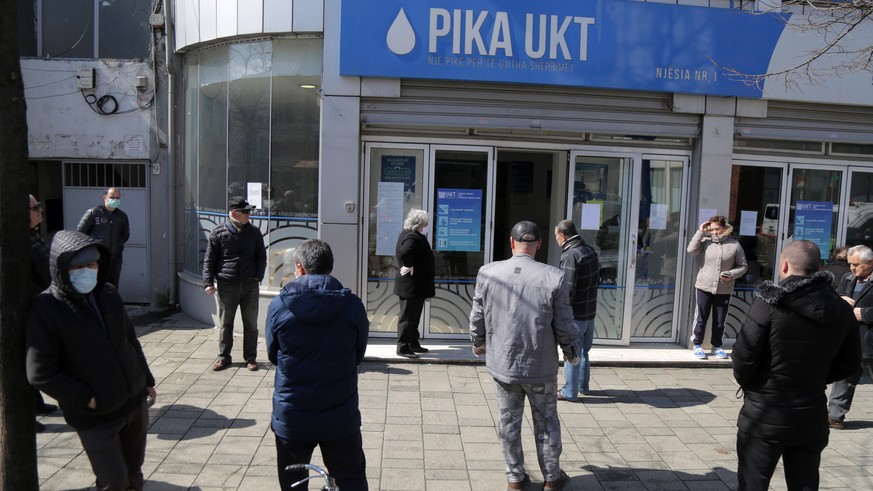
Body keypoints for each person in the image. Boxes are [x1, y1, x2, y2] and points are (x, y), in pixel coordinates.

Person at [26, 231, 157, 491]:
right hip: (95, 417)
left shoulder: (107, 293)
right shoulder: (46, 308)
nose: (87, 271)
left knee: (134, 474)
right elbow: (40, 372)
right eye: (78, 267)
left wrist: (146, 379)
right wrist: (84, 397)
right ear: (62, 268)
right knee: (113, 482)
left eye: (92, 264)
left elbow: (130, 340)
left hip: (133, 404)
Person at [731, 240, 860, 490]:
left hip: (764, 413)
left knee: (752, 484)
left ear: (784, 265)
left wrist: (754, 386)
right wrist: (817, 378)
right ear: (819, 267)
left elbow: (743, 357)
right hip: (811, 413)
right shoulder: (842, 309)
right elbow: (850, 364)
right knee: (805, 484)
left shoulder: (768, 303)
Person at [469, 221, 580, 491]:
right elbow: (565, 324)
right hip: (540, 367)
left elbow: (477, 315)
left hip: (503, 365)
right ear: (539, 245)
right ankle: (551, 479)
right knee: (547, 421)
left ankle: (514, 479)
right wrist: (571, 353)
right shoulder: (554, 276)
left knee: (508, 422)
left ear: (511, 242)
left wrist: (479, 342)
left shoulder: (488, 273)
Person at [266, 239, 369, 491]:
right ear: (330, 266)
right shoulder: (352, 305)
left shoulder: (280, 305)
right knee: (350, 480)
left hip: (293, 415)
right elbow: (359, 353)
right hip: (340, 414)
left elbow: (272, 354)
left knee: (294, 483)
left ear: (299, 268)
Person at [203, 196, 267, 372]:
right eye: (245, 212)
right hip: (227, 285)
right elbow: (209, 260)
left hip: (249, 286)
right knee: (226, 324)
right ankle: (224, 357)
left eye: (249, 211)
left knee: (251, 324)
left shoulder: (254, 232)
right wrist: (208, 282)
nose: (249, 214)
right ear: (234, 213)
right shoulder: (219, 232)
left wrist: (257, 276)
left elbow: (262, 256)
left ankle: (251, 358)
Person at [687, 215, 748, 359]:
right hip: (704, 286)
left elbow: (743, 266)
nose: (715, 232)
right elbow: (691, 249)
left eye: (718, 229)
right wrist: (700, 231)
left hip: (724, 288)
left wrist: (732, 274)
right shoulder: (705, 242)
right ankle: (697, 345)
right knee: (701, 317)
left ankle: (717, 346)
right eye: (712, 229)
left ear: (725, 228)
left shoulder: (734, 245)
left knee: (720, 320)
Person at [826, 244, 873, 429]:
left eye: (856, 264)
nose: (852, 268)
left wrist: (865, 314)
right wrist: (840, 300)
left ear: (870, 263)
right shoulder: (847, 278)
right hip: (850, 340)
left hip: (870, 340)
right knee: (843, 378)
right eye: (850, 264)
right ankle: (835, 417)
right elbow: (833, 297)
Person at [554, 219, 600, 401]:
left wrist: (560, 314)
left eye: (557, 236)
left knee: (571, 353)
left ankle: (569, 392)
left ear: (563, 236)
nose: (557, 240)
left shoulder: (570, 256)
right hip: (590, 314)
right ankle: (583, 387)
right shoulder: (590, 251)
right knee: (584, 352)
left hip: (575, 316)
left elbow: (567, 290)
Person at [29, 195, 58, 431]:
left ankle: (36, 403)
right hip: (26, 311)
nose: (41, 211)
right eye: (36, 208)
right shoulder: (16, 241)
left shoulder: (32, 236)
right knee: (24, 364)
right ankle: (24, 416)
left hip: (38, 307)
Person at [393, 208, 435, 358]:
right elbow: (404, 252)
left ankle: (413, 343)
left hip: (416, 286)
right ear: (419, 224)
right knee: (408, 317)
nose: (427, 225)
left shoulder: (411, 234)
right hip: (411, 286)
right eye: (426, 223)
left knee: (414, 317)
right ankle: (403, 347)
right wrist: (408, 265)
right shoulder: (412, 237)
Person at [77, 187, 130, 288]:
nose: (115, 200)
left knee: (112, 287)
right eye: (112, 197)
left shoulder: (122, 216)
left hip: (115, 259)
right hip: (96, 258)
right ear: (105, 198)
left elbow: (125, 235)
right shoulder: (93, 213)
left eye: (117, 198)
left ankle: (110, 304)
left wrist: (116, 246)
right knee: (96, 286)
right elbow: (80, 233)